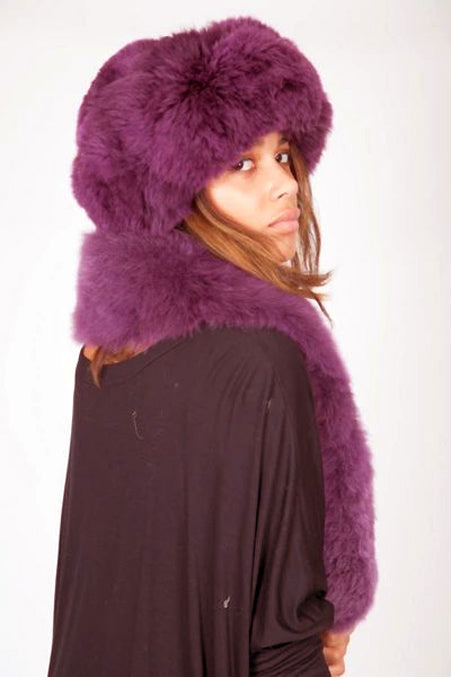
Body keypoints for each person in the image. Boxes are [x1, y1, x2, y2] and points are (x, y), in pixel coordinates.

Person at [46, 15, 378, 677]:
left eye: (282, 154)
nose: (285, 183)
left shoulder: (104, 361)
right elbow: (280, 646)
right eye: (241, 163)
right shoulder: (261, 362)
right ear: (174, 195)